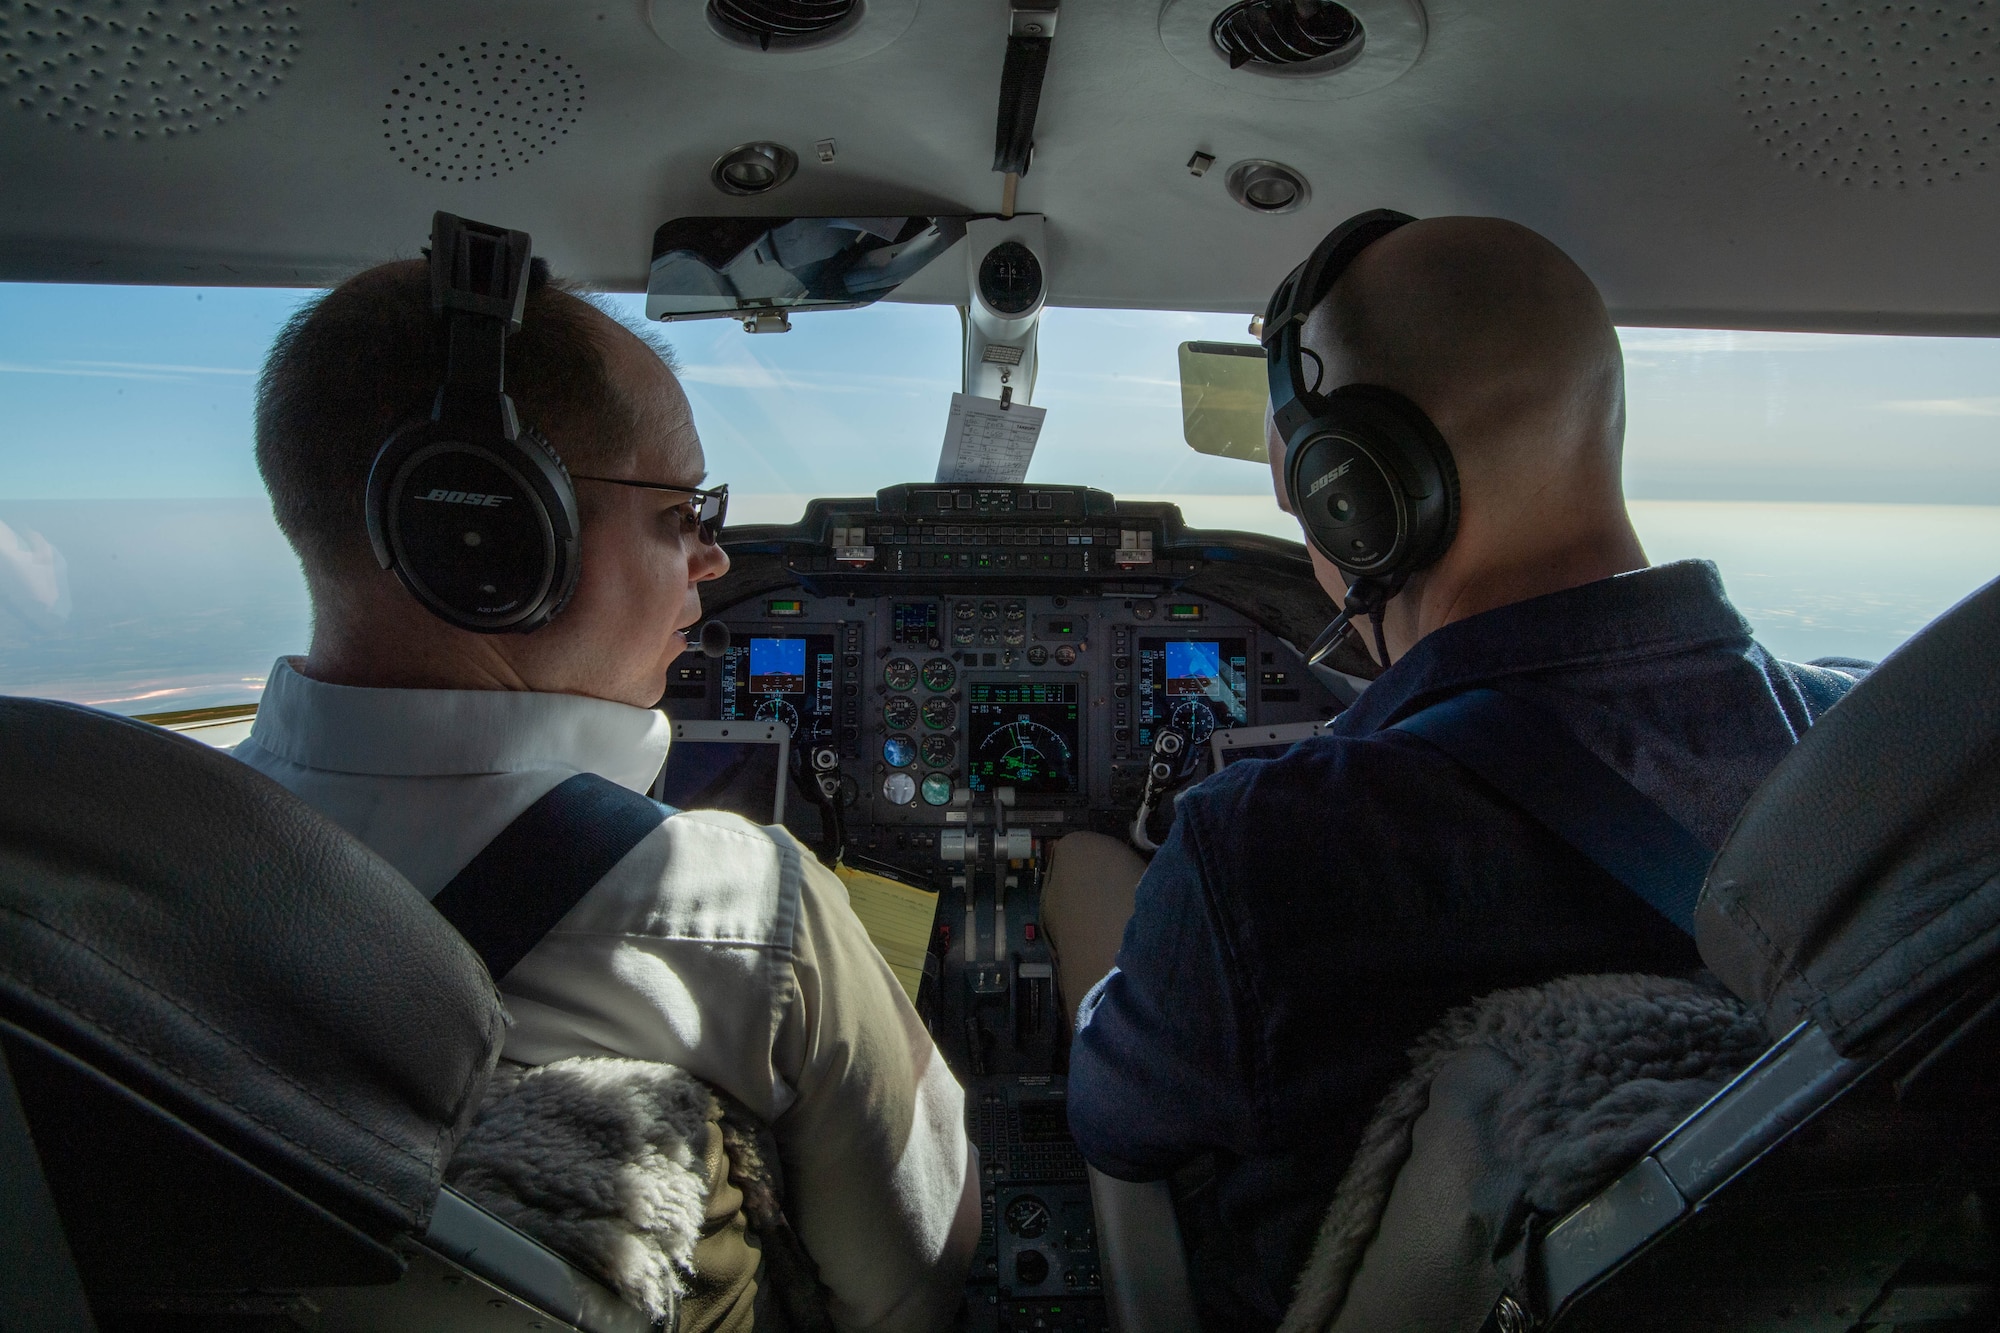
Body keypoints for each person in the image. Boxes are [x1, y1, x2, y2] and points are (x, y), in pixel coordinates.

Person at [1042, 216, 1865, 1331]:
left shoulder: (1268, 848)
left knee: (1082, 868)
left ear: (1356, 495)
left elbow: (1115, 1124)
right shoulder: (1875, 760)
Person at [235, 257, 980, 1332]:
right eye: (684, 511)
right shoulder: (740, 907)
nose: (714, 559)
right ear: (486, 531)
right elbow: (917, 1273)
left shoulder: (132, 848)